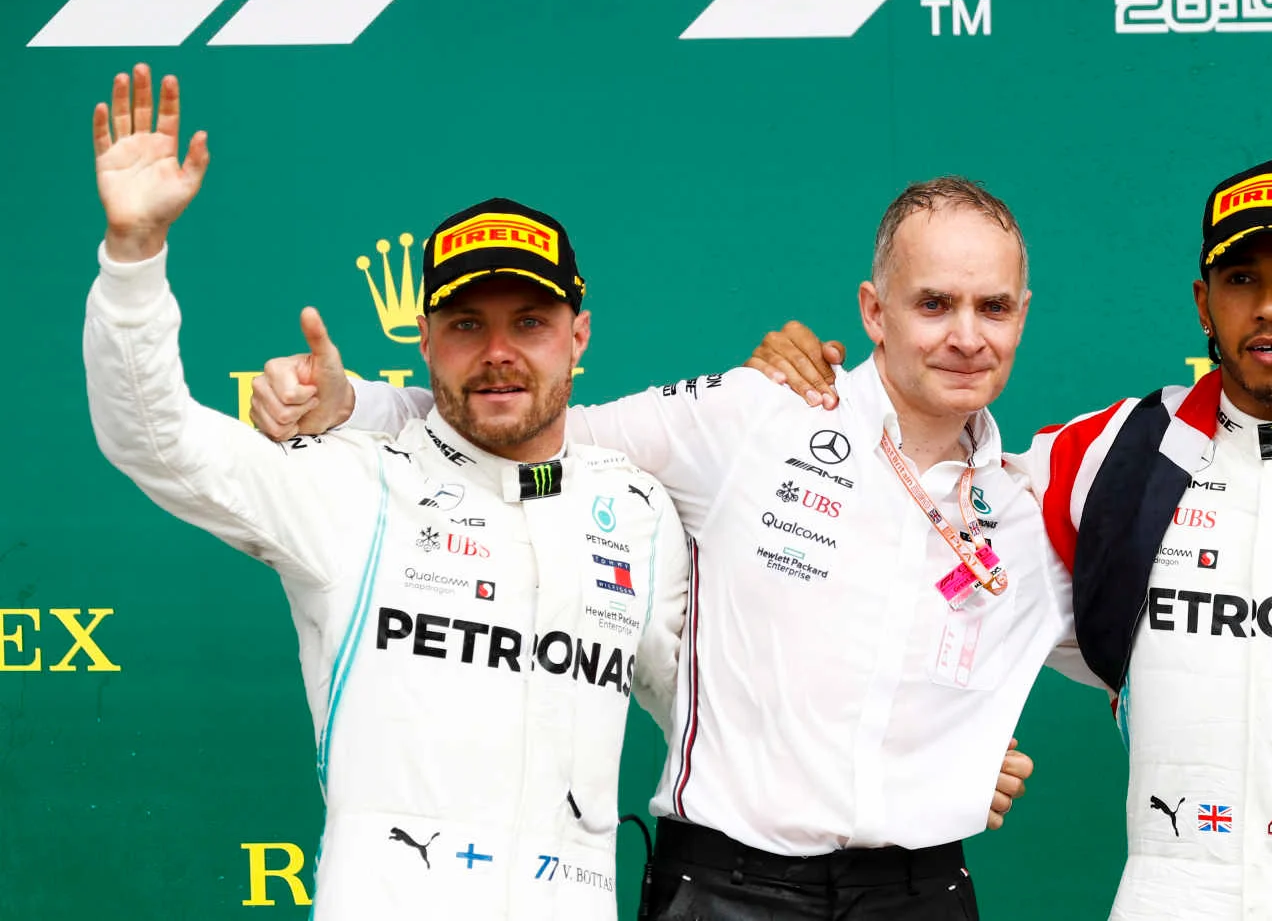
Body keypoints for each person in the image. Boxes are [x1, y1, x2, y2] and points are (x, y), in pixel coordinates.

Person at [251, 177, 1072, 920]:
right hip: (728, 890)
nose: (966, 335)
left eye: (992, 307)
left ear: (1023, 313)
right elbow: (526, 422)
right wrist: (352, 403)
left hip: (919, 892)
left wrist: (952, 753)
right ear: (872, 311)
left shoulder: (1033, 512)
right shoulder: (756, 414)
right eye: (934, 304)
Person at [750, 161, 1272, 918]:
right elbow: (922, 527)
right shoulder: (1111, 455)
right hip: (1168, 890)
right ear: (1202, 305)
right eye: (1241, 278)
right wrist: (817, 397)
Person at [82, 65, 688, 920]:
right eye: (467, 325)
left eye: (530, 323)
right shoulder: (353, 485)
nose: (499, 351)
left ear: (578, 335)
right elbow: (155, 437)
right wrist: (135, 261)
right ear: (425, 338)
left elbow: (721, 719)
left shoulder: (638, 514)